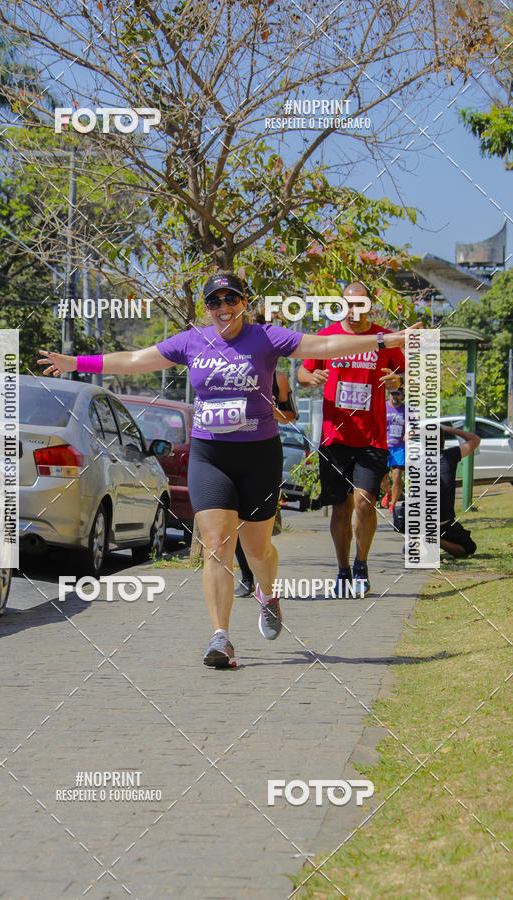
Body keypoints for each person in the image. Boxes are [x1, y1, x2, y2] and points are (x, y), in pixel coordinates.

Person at [39, 271, 416, 669]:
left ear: (244, 303)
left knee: (258, 550)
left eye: (231, 299)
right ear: (207, 308)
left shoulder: (266, 337)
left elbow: (322, 344)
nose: (223, 308)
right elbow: (135, 360)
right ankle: (220, 637)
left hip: (258, 457)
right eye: (214, 302)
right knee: (217, 546)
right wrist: (75, 362)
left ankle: (268, 593)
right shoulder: (192, 341)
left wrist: (385, 340)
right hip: (210, 456)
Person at [297, 281, 405, 597]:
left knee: (364, 501)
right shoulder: (327, 337)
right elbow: (302, 373)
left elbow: (404, 374)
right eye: (348, 304)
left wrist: (397, 380)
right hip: (335, 438)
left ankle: (361, 564)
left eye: (360, 304)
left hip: (372, 438)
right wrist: (311, 377)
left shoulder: (384, 339)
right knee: (340, 508)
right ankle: (343, 570)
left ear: (369, 306)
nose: (354, 310)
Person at [235, 367, 297, 597]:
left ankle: (264, 579)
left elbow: (290, 415)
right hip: (228, 450)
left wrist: (272, 411)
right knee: (233, 518)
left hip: (263, 454)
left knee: (257, 524)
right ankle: (246, 577)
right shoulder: (227, 372)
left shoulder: (277, 378)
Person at [440, 424, 480, 557]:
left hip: (417, 519)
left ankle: (417, 538)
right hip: (442, 522)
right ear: (443, 440)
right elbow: (475, 439)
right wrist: (448, 429)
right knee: (469, 548)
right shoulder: (449, 456)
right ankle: (432, 540)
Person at [380, 387, 406, 513]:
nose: (395, 396)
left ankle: (393, 503)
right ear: (389, 394)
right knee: (382, 477)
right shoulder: (383, 407)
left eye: (397, 394)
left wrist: (409, 433)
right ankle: (388, 492)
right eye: (392, 394)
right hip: (384, 446)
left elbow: (414, 425)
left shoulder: (407, 410)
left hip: (400, 447)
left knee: (397, 476)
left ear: (401, 395)